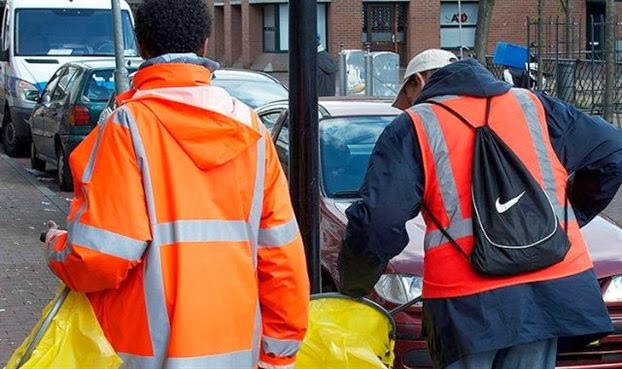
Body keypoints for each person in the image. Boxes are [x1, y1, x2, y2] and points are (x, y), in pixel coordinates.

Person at [43, 1, 309, 368]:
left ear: (141, 48)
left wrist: (56, 248)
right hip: (234, 352)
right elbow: (281, 256)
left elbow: (99, 259)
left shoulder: (127, 128)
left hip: (147, 354)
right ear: (204, 46)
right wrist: (277, 356)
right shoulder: (252, 132)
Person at [337, 48, 622, 368]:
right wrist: (570, 216)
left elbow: (379, 219)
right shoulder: (535, 106)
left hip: (466, 302)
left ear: (417, 82)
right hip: (548, 286)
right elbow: (612, 152)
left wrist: (355, 283)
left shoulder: (415, 125)